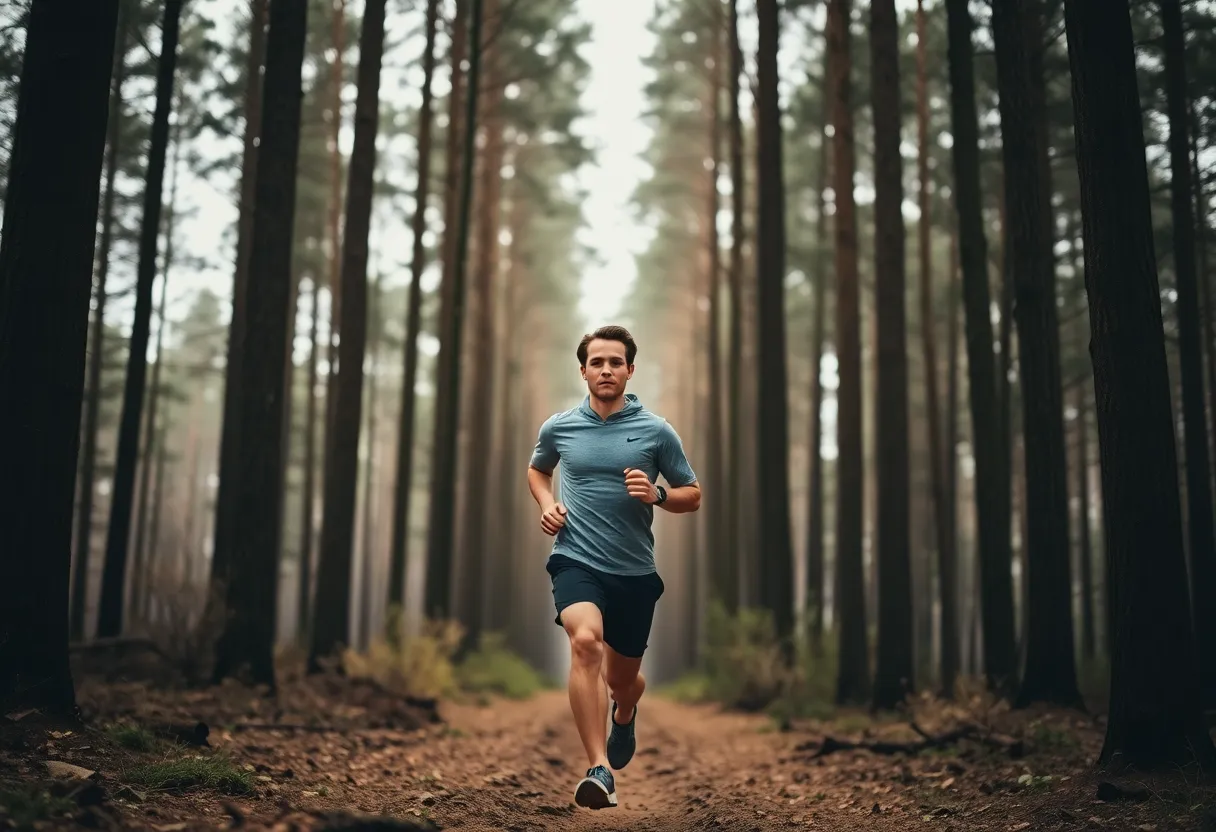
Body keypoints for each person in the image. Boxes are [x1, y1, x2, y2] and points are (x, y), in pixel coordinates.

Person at [526, 325, 701, 810]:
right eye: (597, 362)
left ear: (630, 370)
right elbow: (539, 469)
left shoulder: (656, 431)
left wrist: (659, 494)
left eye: (615, 362)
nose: (606, 370)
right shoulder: (559, 427)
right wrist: (546, 503)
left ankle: (625, 711)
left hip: (634, 573)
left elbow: (693, 494)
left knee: (622, 679)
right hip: (574, 557)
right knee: (585, 645)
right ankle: (599, 769)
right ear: (583, 370)